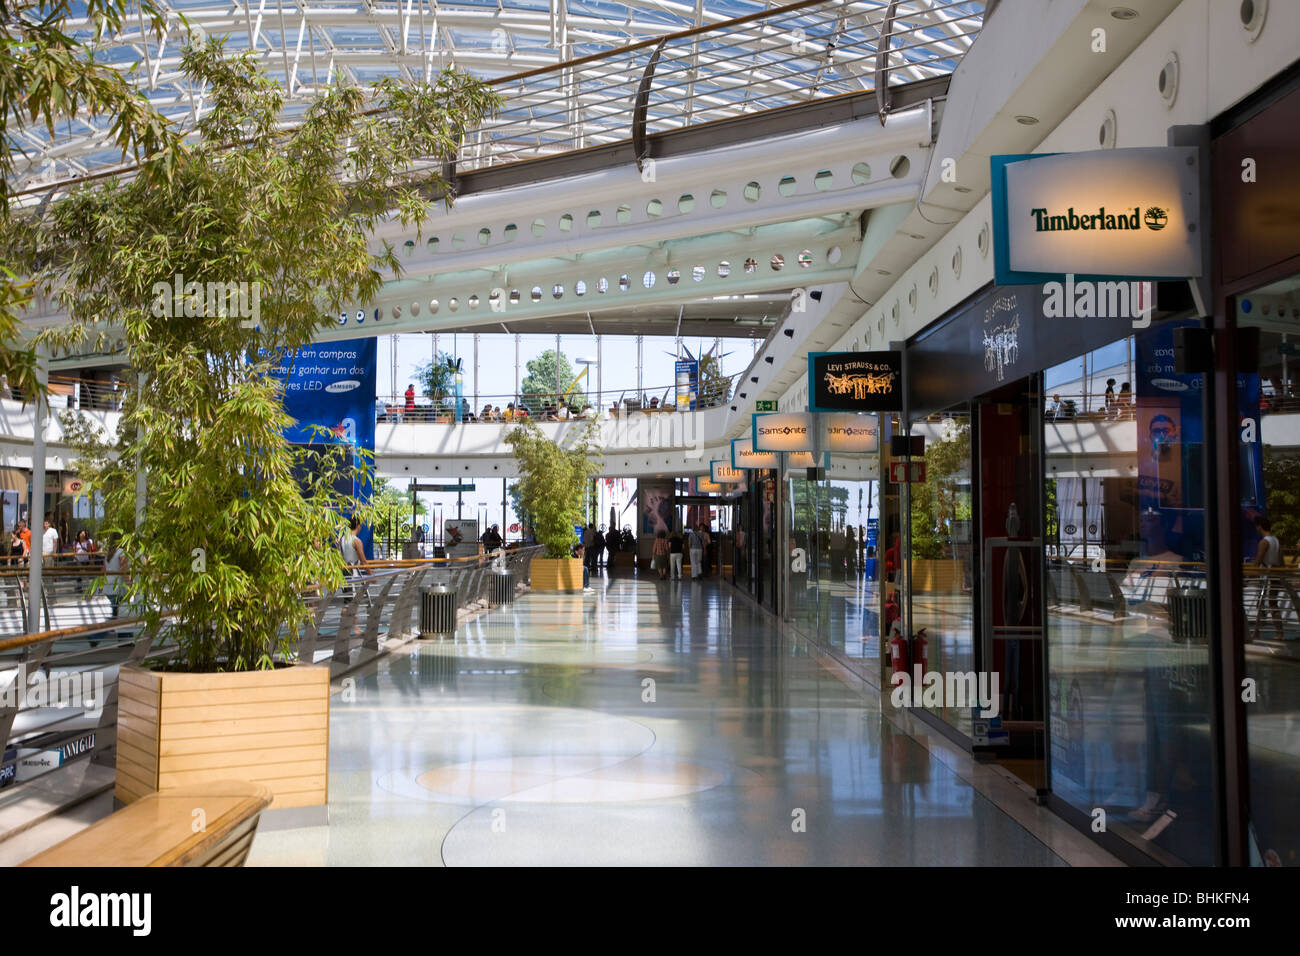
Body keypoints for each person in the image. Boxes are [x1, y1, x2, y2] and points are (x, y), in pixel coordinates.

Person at [1255, 516, 1285, 641]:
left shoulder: (1264, 542)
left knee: (1263, 603)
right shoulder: (1276, 540)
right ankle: (1279, 632)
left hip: (1267, 576)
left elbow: (1258, 561)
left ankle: (1257, 632)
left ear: (1259, 527)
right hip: (1275, 575)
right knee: (1272, 603)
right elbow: (1281, 561)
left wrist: (1248, 575)